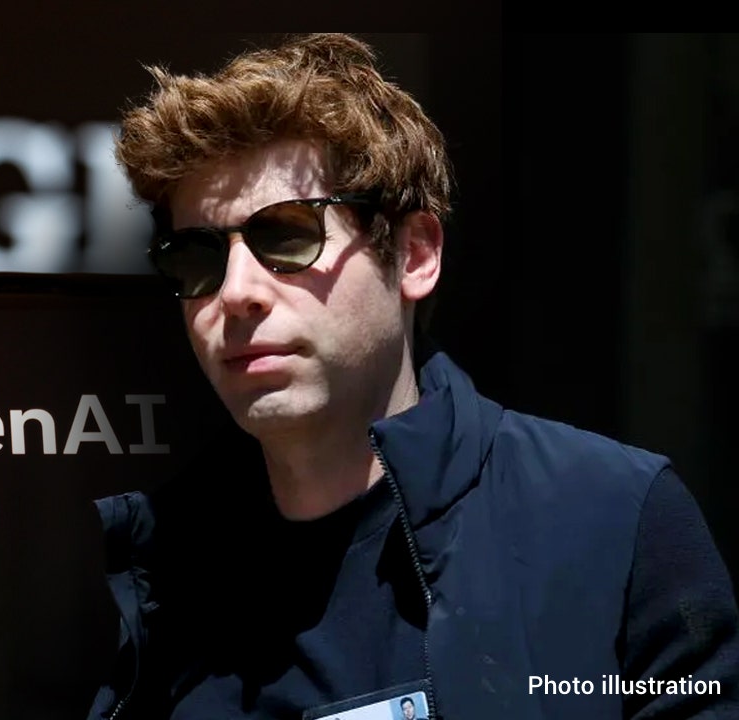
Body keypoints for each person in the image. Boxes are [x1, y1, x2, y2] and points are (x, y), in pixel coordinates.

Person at [87, 33, 739, 719]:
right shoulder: (164, 576)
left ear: (415, 255)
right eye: (196, 258)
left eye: (286, 236)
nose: (237, 291)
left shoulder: (613, 517)